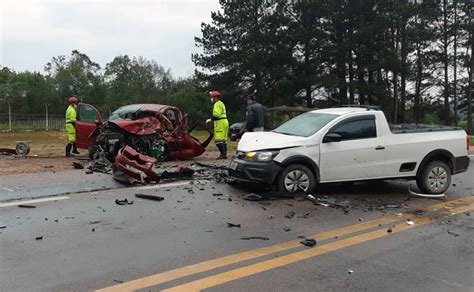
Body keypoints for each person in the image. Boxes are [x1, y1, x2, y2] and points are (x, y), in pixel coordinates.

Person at [206, 91, 229, 159]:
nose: (211, 99)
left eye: (211, 97)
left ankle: (223, 155)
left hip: (220, 123)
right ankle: (224, 154)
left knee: (218, 140)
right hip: (225, 121)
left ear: (215, 97)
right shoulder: (221, 103)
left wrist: (210, 120)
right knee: (224, 140)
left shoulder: (216, 104)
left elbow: (216, 115)